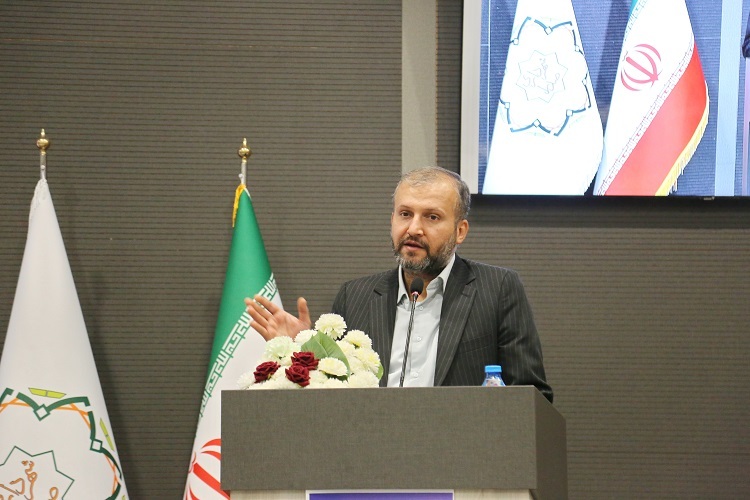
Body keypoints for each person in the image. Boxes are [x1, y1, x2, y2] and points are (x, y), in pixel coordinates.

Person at [245, 166, 553, 402]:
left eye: (432, 217)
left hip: (463, 456)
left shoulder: (497, 289)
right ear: (392, 219)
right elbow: (332, 400)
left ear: (460, 231)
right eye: (405, 214)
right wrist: (305, 350)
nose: (414, 228)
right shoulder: (355, 297)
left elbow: (533, 396)